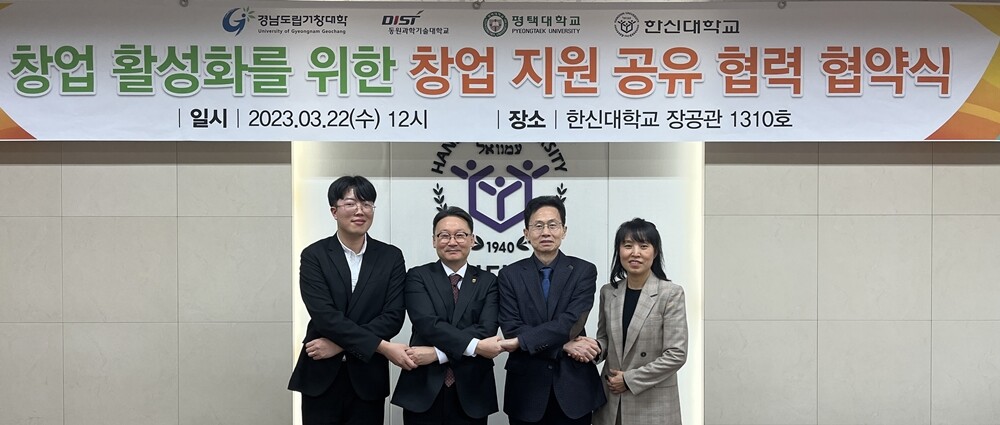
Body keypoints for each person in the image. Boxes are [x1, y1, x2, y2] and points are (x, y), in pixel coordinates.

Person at [288, 175, 415, 425]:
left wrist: (340, 345)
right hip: (321, 375)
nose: (360, 211)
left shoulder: (390, 256)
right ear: (334, 211)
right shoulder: (314, 255)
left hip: (368, 376)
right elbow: (324, 316)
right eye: (350, 203)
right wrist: (382, 346)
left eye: (367, 204)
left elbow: (392, 317)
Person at [497, 195, 607, 425]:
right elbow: (511, 328)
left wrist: (525, 341)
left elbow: (572, 322)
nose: (545, 232)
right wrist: (563, 345)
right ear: (526, 233)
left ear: (564, 231)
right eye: (538, 226)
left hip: (574, 389)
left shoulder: (583, 271)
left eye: (552, 225)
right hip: (526, 391)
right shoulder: (509, 275)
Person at [391, 206, 504, 425]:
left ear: (472, 240)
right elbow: (427, 324)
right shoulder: (418, 276)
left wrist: (437, 354)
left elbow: (487, 329)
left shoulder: (489, 281)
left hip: (472, 390)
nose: (452, 242)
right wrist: (475, 346)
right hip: (422, 389)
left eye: (460, 235)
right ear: (434, 241)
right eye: (444, 235)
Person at [591, 218, 688, 425]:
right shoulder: (609, 292)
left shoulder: (670, 293)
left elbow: (676, 354)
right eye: (628, 246)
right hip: (611, 402)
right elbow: (605, 339)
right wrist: (593, 349)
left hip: (652, 403)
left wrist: (629, 380)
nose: (635, 253)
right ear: (619, 251)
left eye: (643, 246)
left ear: (655, 252)